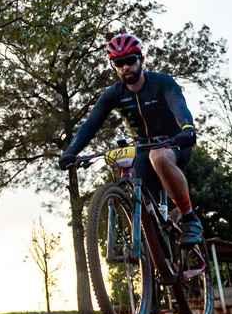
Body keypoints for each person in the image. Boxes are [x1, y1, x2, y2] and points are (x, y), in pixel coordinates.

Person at [56, 33, 203, 245]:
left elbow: (178, 106)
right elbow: (90, 125)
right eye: (119, 63)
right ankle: (155, 249)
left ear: (140, 59)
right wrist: (71, 151)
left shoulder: (162, 82)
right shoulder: (113, 94)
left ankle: (189, 218)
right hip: (143, 148)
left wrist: (187, 128)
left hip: (175, 142)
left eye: (130, 60)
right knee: (137, 187)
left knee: (159, 156)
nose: (125, 67)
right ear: (113, 66)